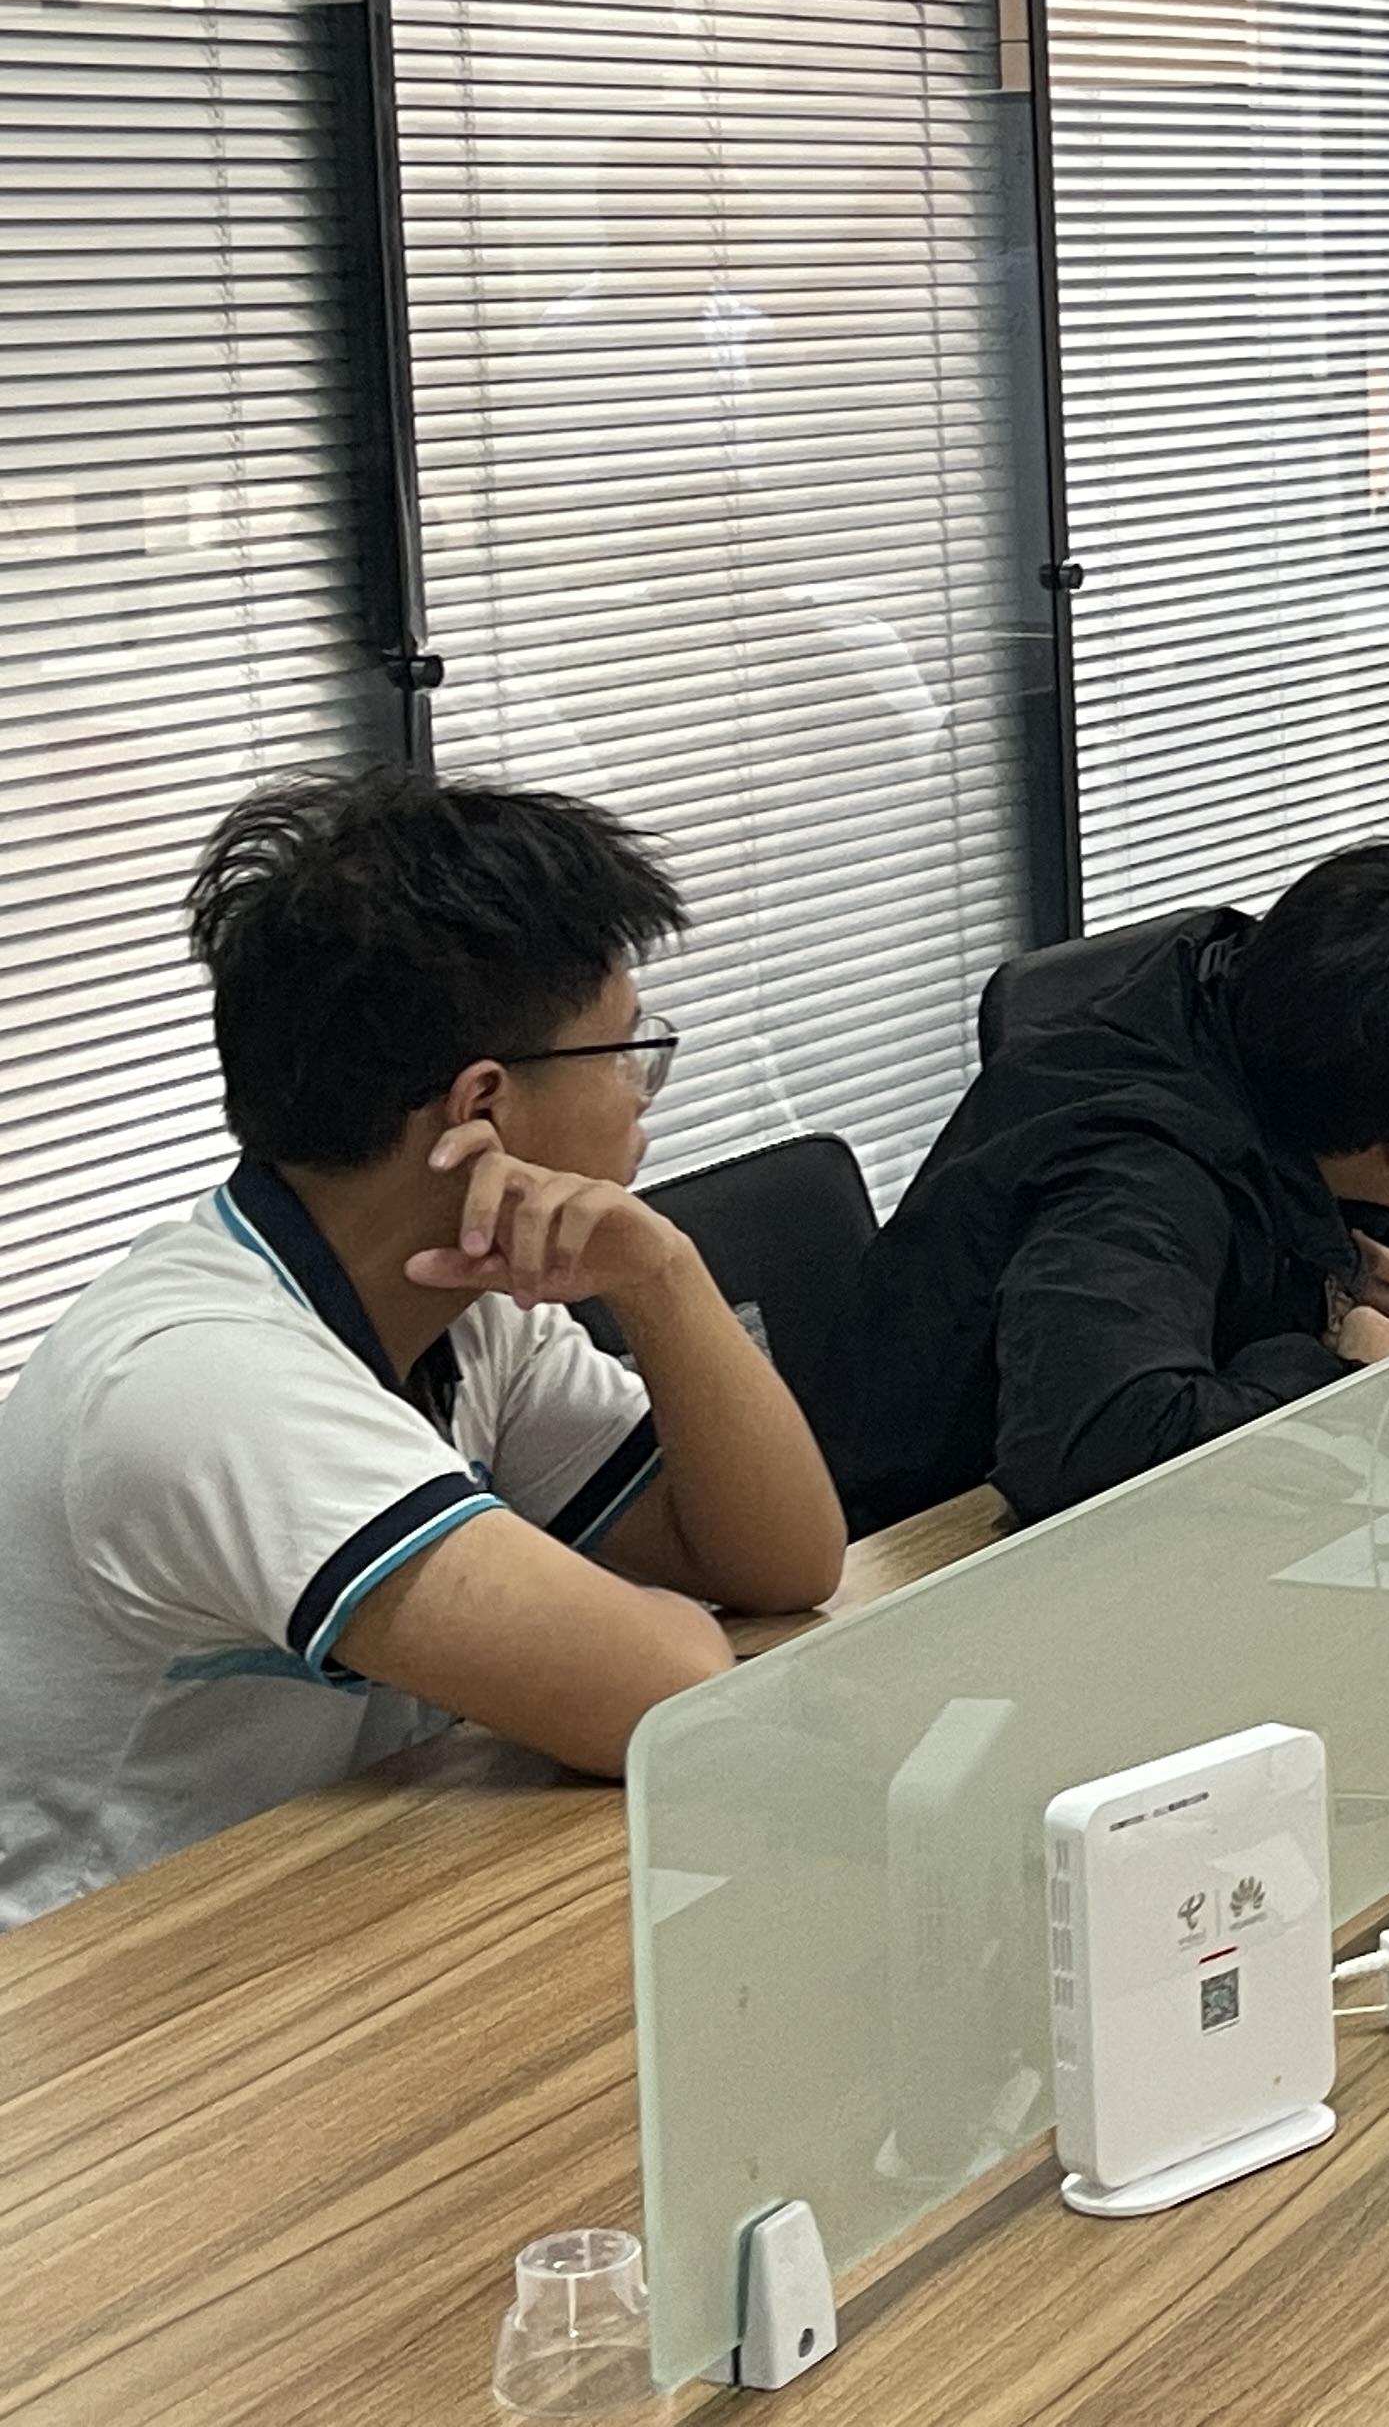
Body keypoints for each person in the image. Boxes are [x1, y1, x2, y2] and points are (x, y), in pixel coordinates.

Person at [0, 769, 846, 1927]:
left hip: (308, 1907)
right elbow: (666, 1691)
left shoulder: (461, 1309)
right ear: (482, 1105)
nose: (642, 1095)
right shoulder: (204, 1380)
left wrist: (661, 1276)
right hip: (101, 1990)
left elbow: (783, 1561)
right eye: (623, 1052)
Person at [827, 838, 1389, 1533]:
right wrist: (1347, 1370)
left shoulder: (1299, 1012)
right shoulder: (1135, 1171)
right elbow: (1093, 1444)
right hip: (932, 1559)